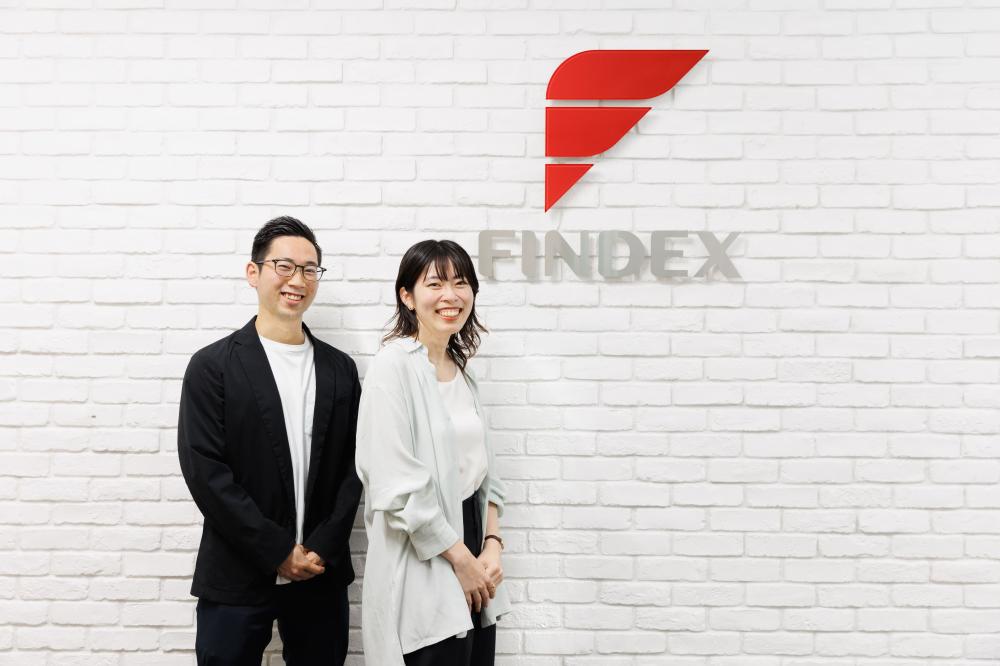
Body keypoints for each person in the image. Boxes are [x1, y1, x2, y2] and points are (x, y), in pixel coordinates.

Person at [177, 216, 362, 665]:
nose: (298, 280)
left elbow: (356, 467)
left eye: (310, 269)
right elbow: (206, 472)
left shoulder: (340, 369)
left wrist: (321, 546)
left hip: (320, 573)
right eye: (284, 266)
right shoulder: (213, 366)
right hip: (236, 571)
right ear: (253, 272)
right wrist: (277, 550)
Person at [356, 239, 511, 666]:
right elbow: (395, 485)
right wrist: (461, 559)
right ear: (407, 296)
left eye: (461, 283)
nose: (451, 295)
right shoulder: (393, 367)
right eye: (435, 283)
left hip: (473, 547)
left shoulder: (462, 373)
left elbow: (485, 472)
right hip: (424, 555)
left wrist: (492, 545)